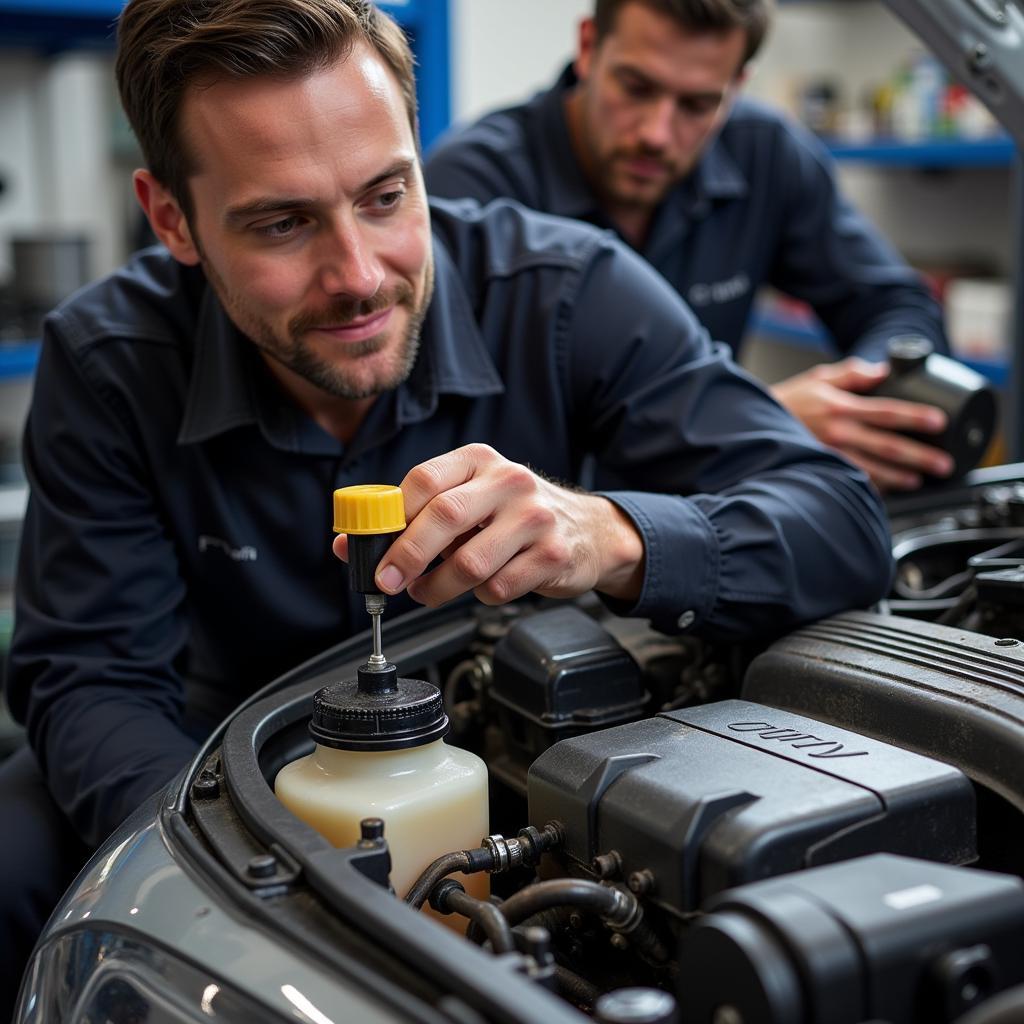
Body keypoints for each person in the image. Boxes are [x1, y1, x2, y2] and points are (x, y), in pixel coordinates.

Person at [0, 0, 892, 1015]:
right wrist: (245, 863)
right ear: (171, 219)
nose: (360, 275)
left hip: (502, 728)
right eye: (282, 222)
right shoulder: (109, 359)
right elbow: (90, 677)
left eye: (386, 194)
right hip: (209, 748)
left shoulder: (566, 291)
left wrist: (613, 535)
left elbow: (841, 522)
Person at [424, 0, 958, 493]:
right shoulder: (471, 188)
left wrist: (858, 402)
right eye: (635, 87)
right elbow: (442, 434)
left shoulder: (765, 153)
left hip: (708, 520)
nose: (657, 133)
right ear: (588, 47)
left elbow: (898, 308)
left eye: (698, 104)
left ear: (737, 85)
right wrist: (750, 421)